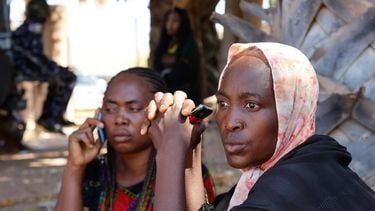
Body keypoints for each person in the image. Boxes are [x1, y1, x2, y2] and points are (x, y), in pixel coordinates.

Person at [143, 42, 375, 210]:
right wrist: (189, 151)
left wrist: (169, 152)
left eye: (251, 105)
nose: (230, 122)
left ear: (290, 111)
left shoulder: (290, 190)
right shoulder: (310, 162)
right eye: (223, 103)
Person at [55, 67, 215, 211]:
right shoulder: (93, 172)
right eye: (110, 109)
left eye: (133, 108)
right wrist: (74, 167)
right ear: (99, 115)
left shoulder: (183, 170)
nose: (119, 119)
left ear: (158, 113)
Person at [11, 0, 76, 134]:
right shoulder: (31, 27)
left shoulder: (30, 27)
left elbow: (36, 55)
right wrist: (53, 69)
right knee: (67, 78)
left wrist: (54, 68)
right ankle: (50, 117)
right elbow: (33, 56)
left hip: (27, 67)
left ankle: (53, 116)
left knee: (63, 77)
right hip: (24, 69)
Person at [152, 7, 201, 103]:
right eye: (168, 20)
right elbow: (156, 64)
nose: (170, 24)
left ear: (183, 23)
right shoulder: (164, 44)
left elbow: (188, 70)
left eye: (175, 21)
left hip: (185, 95)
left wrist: (175, 63)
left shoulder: (189, 45)